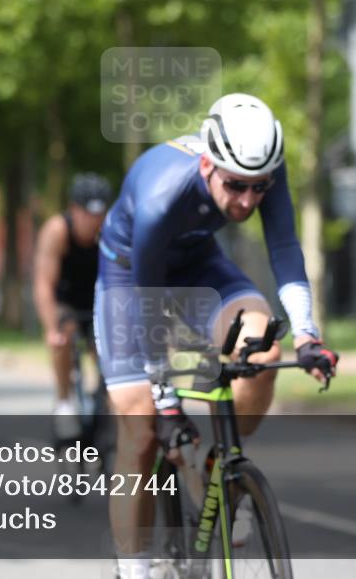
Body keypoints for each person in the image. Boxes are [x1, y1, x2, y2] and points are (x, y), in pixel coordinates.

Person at [94, 93, 339, 577]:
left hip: (199, 265)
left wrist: (309, 337)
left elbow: (285, 248)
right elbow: (148, 297)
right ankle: (135, 569)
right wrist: (164, 397)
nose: (248, 201)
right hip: (131, 275)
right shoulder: (164, 195)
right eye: (235, 186)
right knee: (142, 430)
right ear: (208, 165)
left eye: (259, 188)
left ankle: (222, 471)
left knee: (263, 349)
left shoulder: (265, 165)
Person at [33, 172, 112, 439]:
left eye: (100, 214)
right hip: (65, 298)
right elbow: (44, 285)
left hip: (99, 299)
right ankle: (64, 400)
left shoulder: (112, 231)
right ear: (73, 209)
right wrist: (50, 327)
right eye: (88, 214)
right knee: (62, 336)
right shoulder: (57, 231)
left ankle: (107, 409)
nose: (94, 221)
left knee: (110, 350)